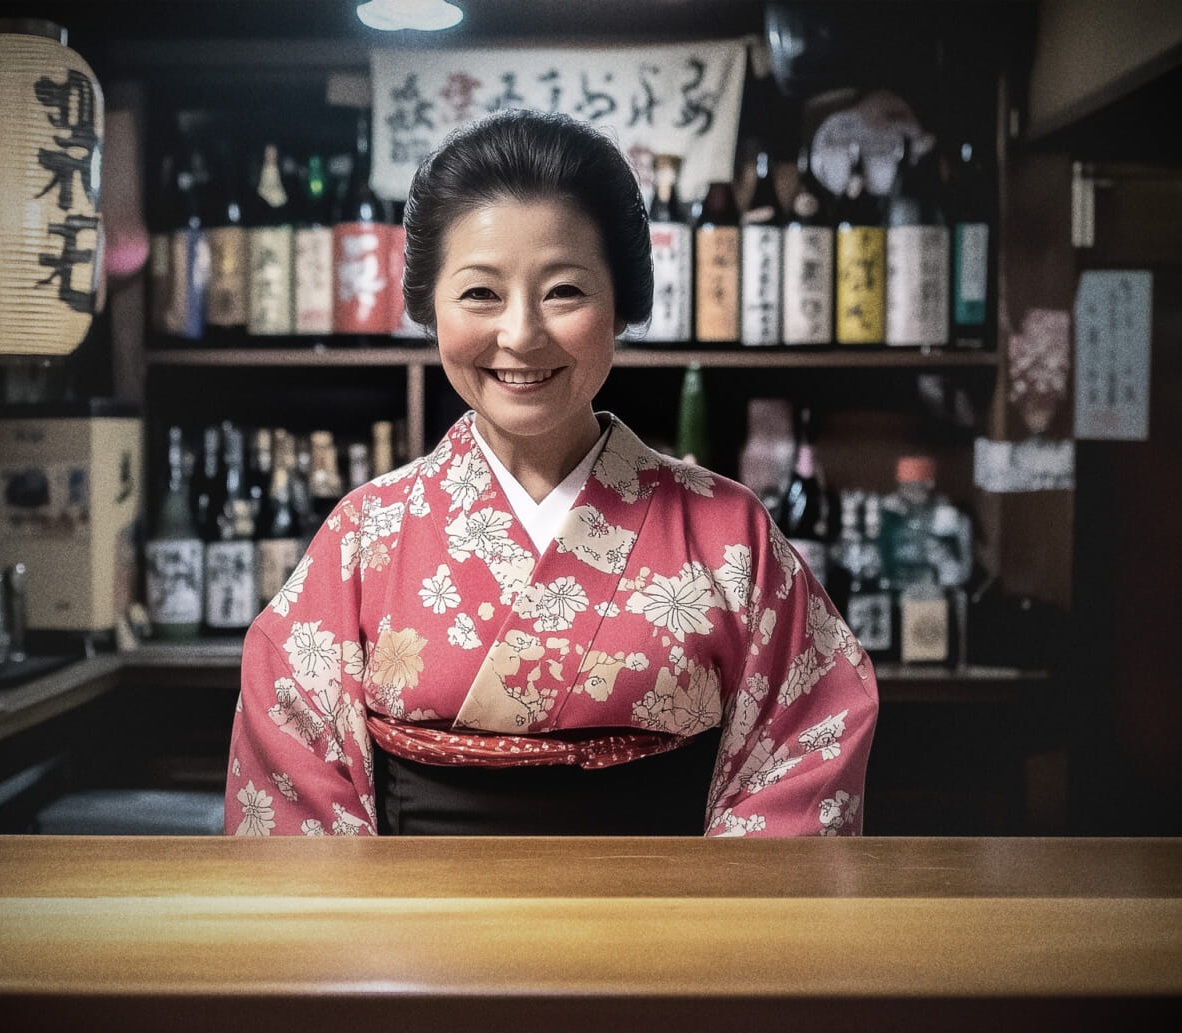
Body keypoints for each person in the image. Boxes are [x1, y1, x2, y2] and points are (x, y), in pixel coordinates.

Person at [225, 109, 877, 836]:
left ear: (622, 303)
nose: (522, 335)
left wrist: (701, 933)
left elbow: (805, 752)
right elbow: (293, 773)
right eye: (480, 293)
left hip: (665, 933)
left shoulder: (730, 532)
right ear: (429, 309)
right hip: (413, 936)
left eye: (564, 291)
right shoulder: (363, 535)